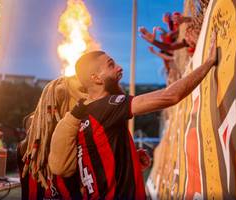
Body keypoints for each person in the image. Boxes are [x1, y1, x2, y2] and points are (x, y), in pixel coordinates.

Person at [49, 32, 217, 199]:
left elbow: (96, 161)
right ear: (96, 78)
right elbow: (170, 96)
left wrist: (129, 158)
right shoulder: (107, 105)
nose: (119, 68)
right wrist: (208, 62)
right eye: (111, 65)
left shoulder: (85, 114)